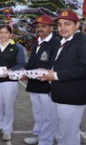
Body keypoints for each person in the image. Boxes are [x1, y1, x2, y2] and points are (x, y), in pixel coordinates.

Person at [40, 10, 86, 145]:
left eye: (67, 24)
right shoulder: (63, 41)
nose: (62, 28)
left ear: (77, 25)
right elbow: (62, 65)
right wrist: (48, 72)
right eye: (60, 24)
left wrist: (55, 75)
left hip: (72, 97)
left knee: (68, 137)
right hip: (57, 94)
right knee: (60, 133)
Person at [0, 25, 26, 141]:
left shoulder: (17, 47)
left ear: (11, 34)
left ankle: (7, 130)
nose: (3, 35)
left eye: (6, 32)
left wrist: (10, 71)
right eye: (1, 32)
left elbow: (21, 63)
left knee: (8, 105)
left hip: (10, 81)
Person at [23, 15, 60, 145]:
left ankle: (46, 141)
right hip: (34, 83)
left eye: (43, 26)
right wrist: (22, 71)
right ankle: (38, 134)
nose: (39, 29)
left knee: (48, 115)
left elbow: (56, 63)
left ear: (51, 28)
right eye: (38, 26)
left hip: (47, 84)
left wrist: (45, 70)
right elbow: (31, 63)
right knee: (38, 113)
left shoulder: (56, 42)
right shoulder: (36, 42)